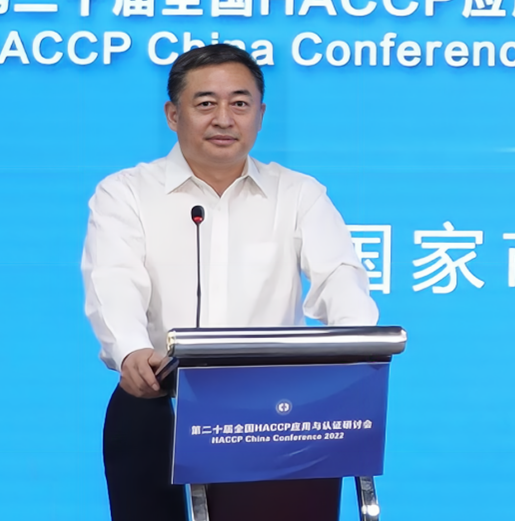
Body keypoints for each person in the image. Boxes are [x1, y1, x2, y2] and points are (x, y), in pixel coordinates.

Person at [81, 44, 379, 521]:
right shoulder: (126, 192)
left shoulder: (298, 193)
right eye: (206, 103)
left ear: (260, 115)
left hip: (275, 412)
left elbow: (340, 276)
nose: (224, 118)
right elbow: (113, 280)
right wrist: (131, 350)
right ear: (173, 114)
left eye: (240, 103)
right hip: (158, 399)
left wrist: (355, 349)